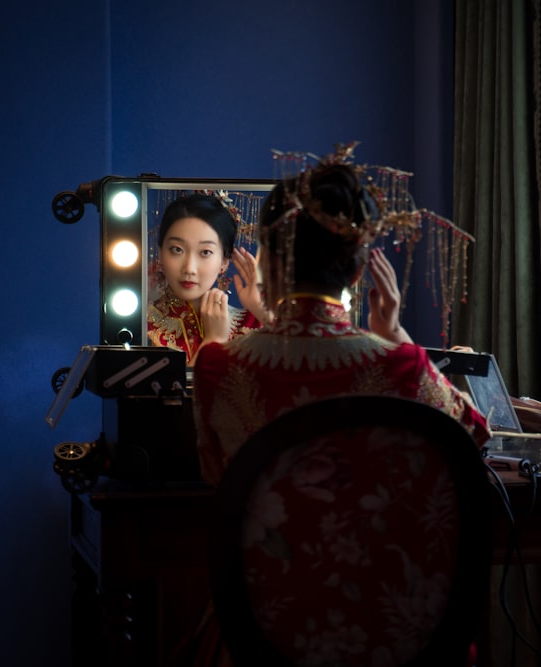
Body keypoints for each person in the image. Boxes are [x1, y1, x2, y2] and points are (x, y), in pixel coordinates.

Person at [193, 155, 491, 486]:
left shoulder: (217, 366)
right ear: (359, 270)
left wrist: (213, 341)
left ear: (271, 266)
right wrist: (395, 335)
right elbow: (474, 432)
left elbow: (213, 476)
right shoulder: (402, 365)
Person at [146, 193, 266, 365]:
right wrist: (213, 340)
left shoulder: (252, 324)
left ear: (224, 262)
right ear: (160, 253)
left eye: (205, 252)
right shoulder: (141, 326)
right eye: (177, 250)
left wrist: (263, 312)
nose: (189, 268)